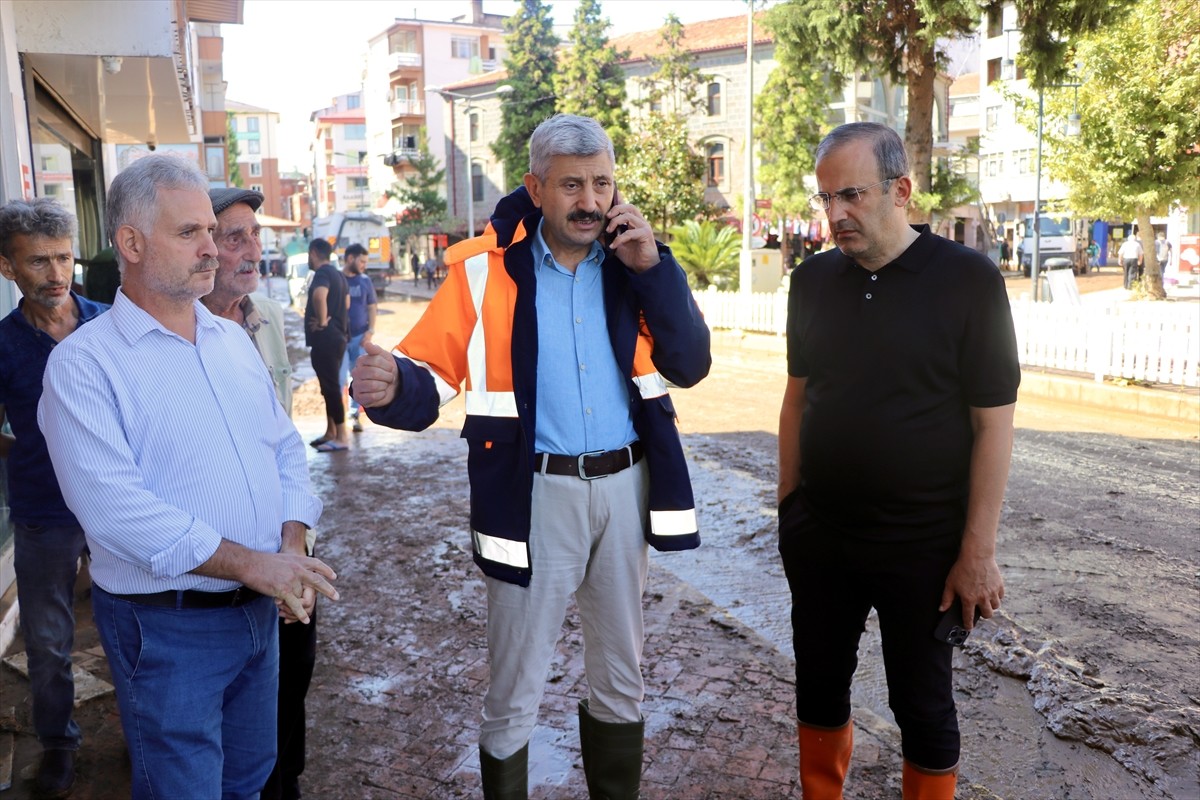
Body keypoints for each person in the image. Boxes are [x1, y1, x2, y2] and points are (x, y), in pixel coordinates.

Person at [351, 113, 710, 799]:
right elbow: (427, 375)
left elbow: (689, 363)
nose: (591, 200)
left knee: (622, 681)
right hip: (533, 498)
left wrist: (653, 271)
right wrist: (393, 387)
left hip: (624, 491)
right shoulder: (483, 273)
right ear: (536, 187)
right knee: (514, 684)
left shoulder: (639, 261)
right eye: (572, 184)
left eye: (602, 183)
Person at [37, 154, 339, 800]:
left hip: (259, 617)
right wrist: (256, 566)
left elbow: (285, 448)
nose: (212, 249)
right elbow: (119, 514)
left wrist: (288, 549)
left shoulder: (231, 341)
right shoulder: (83, 368)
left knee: (250, 781)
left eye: (211, 231)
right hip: (167, 630)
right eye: (191, 233)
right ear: (132, 243)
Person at [777, 122, 1019, 799]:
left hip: (923, 546)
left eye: (849, 195)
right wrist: (789, 507)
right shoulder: (812, 281)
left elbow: (993, 424)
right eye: (825, 198)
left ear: (901, 190)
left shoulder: (967, 280)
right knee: (818, 687)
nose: (834, 215)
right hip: (821, 535)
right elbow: (796, 401)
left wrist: (978, 550)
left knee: (923, 706)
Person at [200, 187, 317, 800]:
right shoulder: (182, 332)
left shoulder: (266, 316)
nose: (252, 251)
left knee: (293, 673)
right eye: (233, 237)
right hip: (225, 557)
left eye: (255, 236)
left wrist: (292, 546)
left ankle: (285, 783)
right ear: (202, 247)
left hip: (287, 544)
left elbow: (284, 439)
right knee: (236, 697)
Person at [0, 198, 108, 798]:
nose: (56, 273)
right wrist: (30, 454)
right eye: (37, 261)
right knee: (46, 641)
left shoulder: (111, 324)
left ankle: (150, 728)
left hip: (120, 503)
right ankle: (59, 745)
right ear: (6, 267)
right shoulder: (3, 344)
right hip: (43, 512)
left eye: (63, 257)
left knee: (138, 619)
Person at [304, 238, 350, 451]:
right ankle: (331, 431)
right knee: (328, 387)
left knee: (331, 388)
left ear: (313, 252)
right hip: (338, 337)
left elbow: (319, 295)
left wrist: (322, 321)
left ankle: (341, 437)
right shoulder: (338, 274)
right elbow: (347, 303)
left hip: (327, 339)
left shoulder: (322, 274)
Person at [339, 242, 377, 433]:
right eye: (361, 261)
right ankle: (337, 419)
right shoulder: (337, 278)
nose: (364, 265)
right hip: (338, 339)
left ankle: (355, 416)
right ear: (350, 258)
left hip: (360, 337)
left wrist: (370, 331)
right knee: (338, 379)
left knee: (357, 378)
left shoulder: (365, 281)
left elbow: (371, 307)